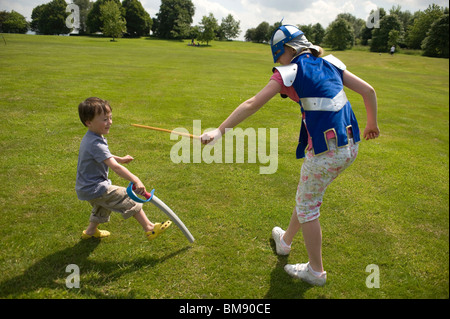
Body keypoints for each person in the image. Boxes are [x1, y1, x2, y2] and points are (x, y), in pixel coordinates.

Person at [200, 25, 379, 286]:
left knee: (308, 207)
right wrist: (371, 124)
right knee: (307, 194)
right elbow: (369, 91)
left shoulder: (290, 70)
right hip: (350, 146)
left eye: (278, 56)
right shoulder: (330, 62)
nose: (277, 62)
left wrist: (219, 131)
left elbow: (252, 103)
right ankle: (285, 242)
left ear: (287, 50)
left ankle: (315, 272)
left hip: (327, 152)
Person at [76, 97, 171, 240]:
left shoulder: (92, 137)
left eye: (110, 118)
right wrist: (135, 179)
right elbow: (115, 167)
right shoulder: (96, 143)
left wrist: (120, 158)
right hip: (94, 187)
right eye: (104, 119)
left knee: (103, 206)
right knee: (126, 197)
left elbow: (103, 156)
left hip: (86, 187)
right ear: (88, 122)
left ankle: (90, 232)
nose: (110, 122)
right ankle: (150, 228)